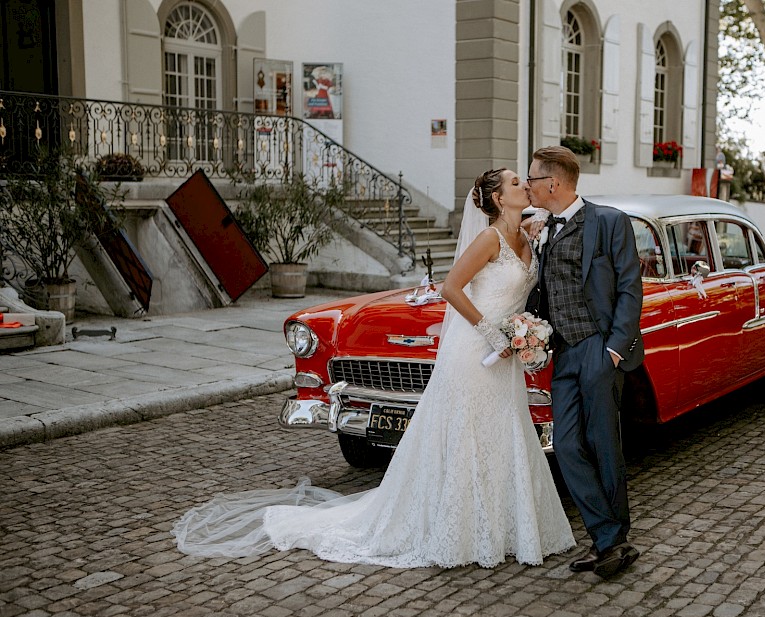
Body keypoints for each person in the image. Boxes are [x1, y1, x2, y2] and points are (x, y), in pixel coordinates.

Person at [172, 168, 575, 568]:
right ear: (501, 198)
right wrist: (492, 333)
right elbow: (451, 287)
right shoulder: (488, 239)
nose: (526, 184)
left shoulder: (527, 234)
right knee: (467, 434)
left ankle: (503, 525)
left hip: (505, 357)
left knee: (503, 432)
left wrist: (522, 330)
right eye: (517, 182)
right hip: (475, 351)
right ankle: (460, 527)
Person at [524, 146, 644, 579]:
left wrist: (613, 348)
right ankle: (610, 538)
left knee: (603, 445)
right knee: (569, 445)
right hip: (563, 354)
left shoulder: (609, 221)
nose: (528, 184)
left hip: (598, 347)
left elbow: (630, 286)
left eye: (532, 178)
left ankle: (611, 542)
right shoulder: (541, 229)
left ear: (552, 183)